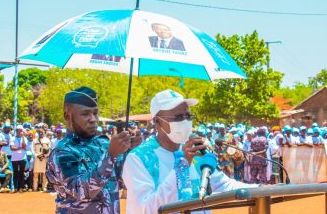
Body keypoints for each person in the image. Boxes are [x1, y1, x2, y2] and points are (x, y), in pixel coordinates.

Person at [122, 89, 257, 213]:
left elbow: (223, 184)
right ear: (157, 122)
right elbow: (145, 208)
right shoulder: (138, 158)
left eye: (188, 116)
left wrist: (261, 189)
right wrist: (183, 165)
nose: (185, 121)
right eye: (178, 118)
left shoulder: (196, 152)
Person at [46, 86, 142, 213]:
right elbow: (82, 191)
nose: (93, 119)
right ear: (67, 116)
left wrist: (130, 150)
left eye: (95, 113)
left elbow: (122, 180)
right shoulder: (63, 151)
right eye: (85, 114)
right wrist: (111, 155)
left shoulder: (103, 143)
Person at [10, 125, 27, 193]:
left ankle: (21, 188)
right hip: (14, 158)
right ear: (16, 131)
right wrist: (20, 148)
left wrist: (22, 137)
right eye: (18, 130)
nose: (19, 131)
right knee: (15, 173)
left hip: (22, 158)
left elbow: (24, 146)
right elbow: (12, 148)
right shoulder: (12, 138)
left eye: (20, 130)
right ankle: (15, 188)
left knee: (21, 173)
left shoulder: (24, 138)